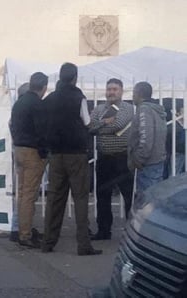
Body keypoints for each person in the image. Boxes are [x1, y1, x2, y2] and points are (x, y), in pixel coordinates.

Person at [40, 63, 102, 256]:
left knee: (55, 199)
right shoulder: (78, 97)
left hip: (56, 154)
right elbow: (88, 123)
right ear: (75, 78)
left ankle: (48, 242)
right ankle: (83, 244)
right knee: (81, 198)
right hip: (76, 153)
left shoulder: (49, 99)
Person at [89, 78, 134, 240]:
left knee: (128, 196)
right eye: (109, 89)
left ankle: (131, 231)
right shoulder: (99, 108)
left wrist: (99, 126)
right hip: (104, 159)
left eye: (115, 89)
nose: (111, 92)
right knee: (102, 196)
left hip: (122, 159)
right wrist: (104, 122)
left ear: (121, 91)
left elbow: (118, 125)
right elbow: (89, 127)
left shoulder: (128, 108)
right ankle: (103, 230)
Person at [9, 72, 48, 248]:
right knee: (30, 195)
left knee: (23, 192)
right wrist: (44, 152)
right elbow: (41, 131)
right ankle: (25, 234)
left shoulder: (19, 103)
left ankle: (21, 229)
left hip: (19, 149)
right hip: (32, 151)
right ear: (44, 87)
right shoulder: (37, 104)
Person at [128, 81, 167, 195]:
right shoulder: (156, 109)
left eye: (134, 93)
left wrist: (139, 159)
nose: (132, 96)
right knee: (154, 199)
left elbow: (146, 136)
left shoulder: (144, 109)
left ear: (139, 94)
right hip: (156, 161)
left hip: (148, 164)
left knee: (147, 202)